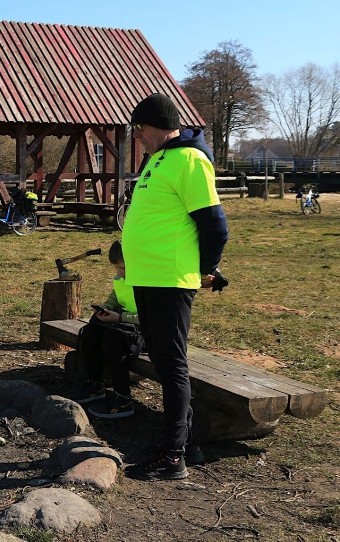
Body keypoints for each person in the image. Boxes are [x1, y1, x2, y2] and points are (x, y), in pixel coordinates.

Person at [121, 93, 228, 481]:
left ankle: (173, 456)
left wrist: (207, 268)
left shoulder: (190, 160)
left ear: (156, 126)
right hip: (148, 277)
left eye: (140, 130)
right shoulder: (159, 158)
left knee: (171, 365)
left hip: (170, 279)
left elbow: (215, 224)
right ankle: (189, 442)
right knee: (164, 362)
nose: (138, 138)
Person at [74, 240, 143, 419]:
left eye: (123, 268)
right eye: (117, 269)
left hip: (147, 334)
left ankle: (123, 398)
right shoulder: (121, 279)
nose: (119, 273)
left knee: (113, 340)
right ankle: (96, 384)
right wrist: (104, 309)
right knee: (90, 332)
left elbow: (152, 319)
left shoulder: (150, 284)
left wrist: (119, 318)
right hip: (125, 325)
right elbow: (115, 299)